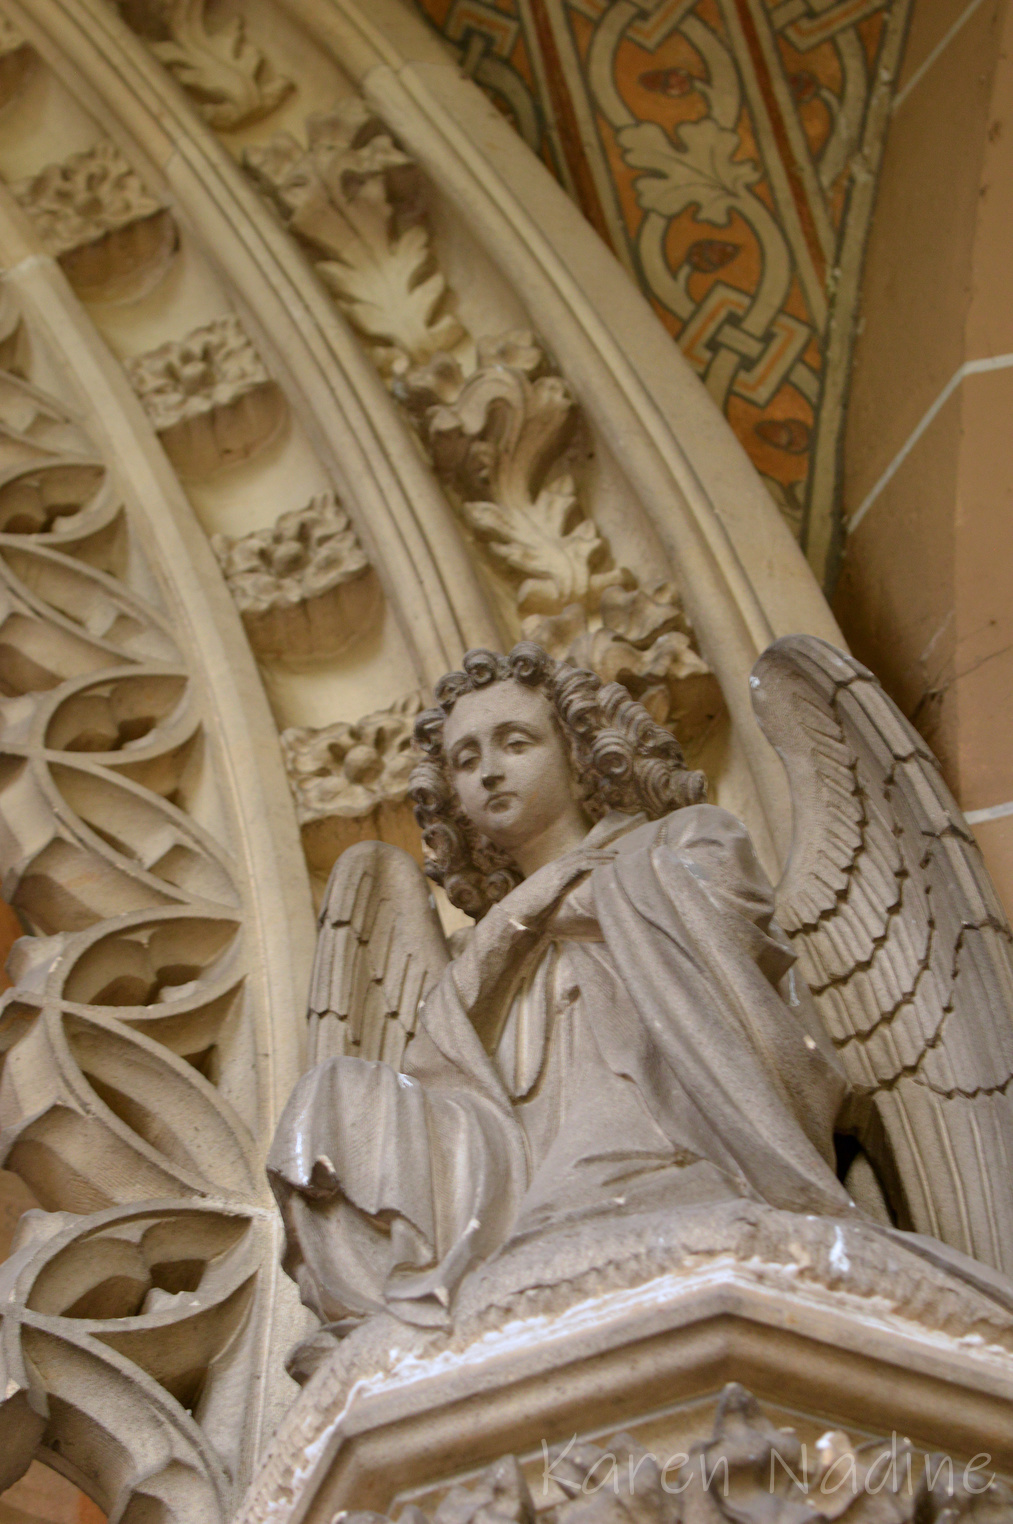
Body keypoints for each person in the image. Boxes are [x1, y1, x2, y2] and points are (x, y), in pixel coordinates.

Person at [267, 644, 855, 1333]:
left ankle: (646, 1173)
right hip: (512, 1159)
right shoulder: (477, 952)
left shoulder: (682, 841)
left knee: (624, 952)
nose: (489, 771)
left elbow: (722, 956)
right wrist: (522, 917)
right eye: (465, 760)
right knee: (331, 1093)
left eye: (515, 743)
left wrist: (558, 903)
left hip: (676, 1126)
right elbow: (437, 1063)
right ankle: (400, 1305)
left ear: (580, 754)